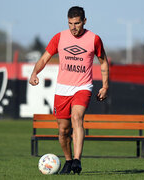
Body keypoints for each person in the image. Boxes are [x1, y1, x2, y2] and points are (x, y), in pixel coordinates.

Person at [29, 6, 109, 174]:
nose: (74, 27)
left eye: (77, 23)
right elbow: (44, 58)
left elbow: (103, 62)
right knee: (63, 131)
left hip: (83, 87)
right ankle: (68, 160)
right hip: (62, 89)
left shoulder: (94, 39)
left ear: (84, 21)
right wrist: (35, 73)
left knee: (77, 117)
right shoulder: (59, 37)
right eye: (70, 23)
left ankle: (77, 160)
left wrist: (105, 85)